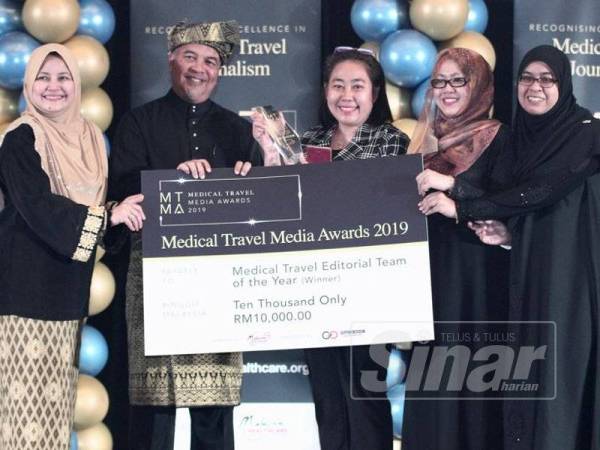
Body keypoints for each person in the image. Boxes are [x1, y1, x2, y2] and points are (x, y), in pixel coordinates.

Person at [419, 45, 600, 450]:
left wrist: (460, 201)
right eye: (527, 78)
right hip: (528, 276)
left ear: (564, 84)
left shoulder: (584, 133)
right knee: (527, 380)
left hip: (572, 287)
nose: (535, 87)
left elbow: (539, 192)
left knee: (561, 382)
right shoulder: (520, 140)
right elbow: (514, 199)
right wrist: (508, 235)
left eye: (547, 79)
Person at [108, 20, 261, 450]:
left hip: (217, 286)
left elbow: (261, 214)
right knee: (152, 412)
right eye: (190, 56)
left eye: (210, 61)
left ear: (220, 71)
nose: (200, 68)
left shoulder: (238, 130)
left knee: (213, 412)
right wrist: (172, 183)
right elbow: (120, 193)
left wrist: (252, 176)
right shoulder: (138, 123)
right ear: (172, 59)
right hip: (156, 282)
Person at [253, 47, 409, 450]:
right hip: (316, 289)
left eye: (358, 86)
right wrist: (273, 156)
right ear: (325, 91)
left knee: (364, 396)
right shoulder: (308, 141)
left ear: (374, 94)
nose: (347, 95)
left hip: (371, 290)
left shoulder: (392, 141)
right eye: (338, 85)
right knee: (328, 398)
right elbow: (285, 206)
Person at [0, 44, 144, 450]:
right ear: (29, 84)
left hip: (65, 294)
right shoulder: (21, 138)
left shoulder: (89, 140)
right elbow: (37, 206)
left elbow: (94, 208)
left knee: (52, 420)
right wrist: (106, 218)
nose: (53, 87)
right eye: (43, 78)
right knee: (22, 423)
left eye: (63, 77)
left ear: (77, 84)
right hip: (22, 298)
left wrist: (115, 211)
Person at [400, 47, 512, 450]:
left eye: (457, 80)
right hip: (431, 278)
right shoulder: (428, 144)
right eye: (439, 81)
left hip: (477, 280)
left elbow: (508, 202)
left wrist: (456, 200)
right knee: (433, 381)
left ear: (477, 84)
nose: (446, 90)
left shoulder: (499, 137)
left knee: (475, 376)